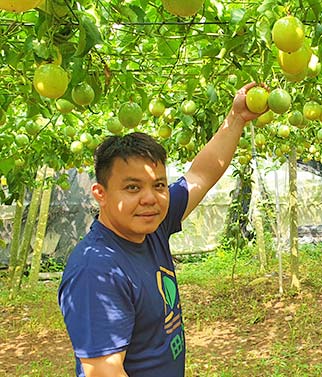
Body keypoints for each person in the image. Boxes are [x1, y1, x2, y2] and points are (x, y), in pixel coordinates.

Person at [58, 83, 264, 377]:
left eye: (158, 185)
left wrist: (237, 116)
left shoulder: (152, 224)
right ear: (100, 193)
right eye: (132, 187)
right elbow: (104, 373)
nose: (149, 198)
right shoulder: (97, 270)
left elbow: (201, 174)